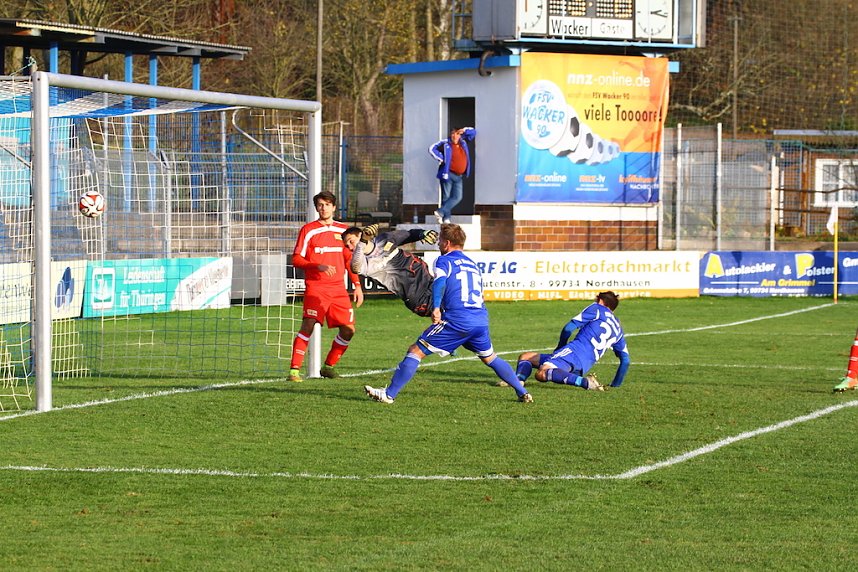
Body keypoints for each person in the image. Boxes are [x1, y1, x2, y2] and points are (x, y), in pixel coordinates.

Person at [364, 223, 532, 404]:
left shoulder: (444, 260)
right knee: (490, 357)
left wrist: (436, 307)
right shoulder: (472, 264)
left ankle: (388, 395)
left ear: (448, 243)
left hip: (458, 320)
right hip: (480, 319)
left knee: (416, 350)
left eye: (440, 241)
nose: (438, 244)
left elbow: (440, 283)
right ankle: (522, 391)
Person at [289, 190, 364, 382]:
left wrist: (357, 285)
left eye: (327, 204)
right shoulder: (308, 230)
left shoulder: (343, 231)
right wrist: (317, 265)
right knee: (309, 324)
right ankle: (294, 371)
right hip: (316, 287)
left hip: (338, 289)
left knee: (349, 329)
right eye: (320, 205)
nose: (323, 208)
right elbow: (296, 258)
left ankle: (328, 367)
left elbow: (351, 260)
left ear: (334, 207)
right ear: (316, 208)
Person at [510, 291, 630, 391]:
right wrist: (615, 385)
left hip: (574, 352)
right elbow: (625, 361)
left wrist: (560, 347)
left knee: (541, 374)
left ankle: (586, 383)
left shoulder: (597, 309)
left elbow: (568, 328)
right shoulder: (618, 328)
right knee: (525, 357)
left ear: (600, 301)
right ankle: (518, 382)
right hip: (585, 364)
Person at [342, 224, 438, 317]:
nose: (350, 247)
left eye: (351, 241)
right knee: (448, 315)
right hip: (418, 297)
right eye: (347, 246)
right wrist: (362, 242)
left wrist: (423, 233)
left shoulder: (383, 239)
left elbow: (408, 235)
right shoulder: (362, 263)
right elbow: (355, 268)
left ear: (359, 235)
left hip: (429, 281)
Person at [428, 127, 476, 224]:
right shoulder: (446, 144)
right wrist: (442, 158)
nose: (455, 136)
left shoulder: (463, 143)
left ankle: (440, 212)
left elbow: (473, 133)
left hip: (459, 176)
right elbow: (432, 148)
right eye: (453, 134)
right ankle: (446, 218)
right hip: (448, 174)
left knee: (457, 197)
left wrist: (465, 130)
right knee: (446, 196)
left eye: (457, 134)